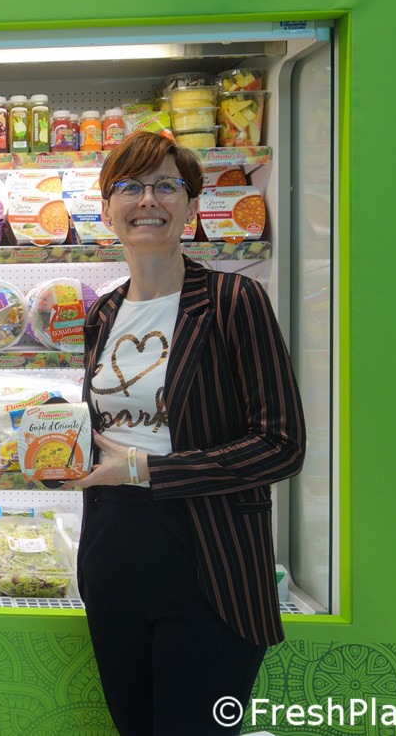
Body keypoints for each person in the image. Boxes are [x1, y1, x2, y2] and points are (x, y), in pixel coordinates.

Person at [74, 131, 306, 736]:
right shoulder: (103, 312)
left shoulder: (234, 300)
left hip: (211, 558)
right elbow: (104, 429)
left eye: (166, 186)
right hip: (113, 550)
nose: (147, 199)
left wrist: (148, 470)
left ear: (192, 206)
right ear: (107, 209)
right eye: (129, 186)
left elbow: (281, 444)